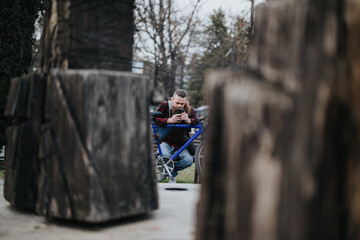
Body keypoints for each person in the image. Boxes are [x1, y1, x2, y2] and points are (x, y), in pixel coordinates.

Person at [154, 89, 199, 183]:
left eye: (182, 104)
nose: (179, 106)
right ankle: (170, 174)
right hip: (166, 141)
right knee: (165, 156)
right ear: (172, 100)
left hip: (181, 143)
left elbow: (196, 120)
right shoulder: (164, 105)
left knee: (188, 161)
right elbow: (154, 119)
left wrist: (189, 120)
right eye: (177, 103)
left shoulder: (188, 108)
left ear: (185, 102)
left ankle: (169, 172)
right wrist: (168, 120)